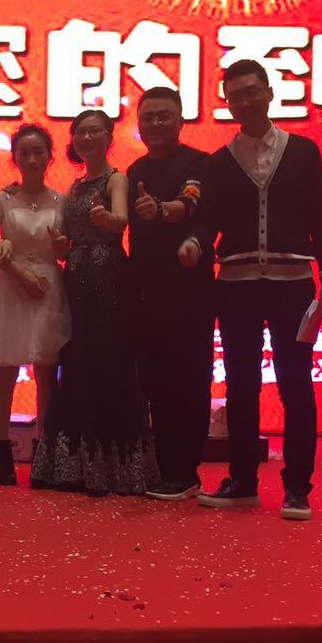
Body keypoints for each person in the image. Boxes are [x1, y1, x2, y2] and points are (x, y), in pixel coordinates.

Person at [179, 58, 322, 522]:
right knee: (242, 384)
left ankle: (298, 488)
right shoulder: (218, 162)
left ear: (269, 93)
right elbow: (209, 219)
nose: (245, 101)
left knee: (296, 383)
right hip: (236, 284)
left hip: (293, 284)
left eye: (252, 91)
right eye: (236, 96)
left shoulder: (304, 151)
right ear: (228, 103)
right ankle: (244, 481)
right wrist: (195, 243)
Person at [31, 111, 161, 495]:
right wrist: (60, 246)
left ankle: (116, 468)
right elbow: (65, 242)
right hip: (75, 275)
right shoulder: (73, 187)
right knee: (76, 361)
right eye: (80, 132)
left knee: (109, 359)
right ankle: (74, 467)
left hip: (108, 275)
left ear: (108, 136)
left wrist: (106, 219)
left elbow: (121, 221)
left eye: (94, 131)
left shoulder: (116, 178)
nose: (87, 137)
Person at [124, 87, 214, 501]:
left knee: (189, 380)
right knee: (154, 381)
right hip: (145, 294)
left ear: (181, 121)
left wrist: (161, 211)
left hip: (188, 294)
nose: (156, 124)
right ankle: (162, 467)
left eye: (164, 116)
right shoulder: (134, 171)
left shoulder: (198, 164)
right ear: (139, 126)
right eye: (148, 118)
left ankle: (186, 471)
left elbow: (190, 203)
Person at [0, 124, 71, 486]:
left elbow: (65, 251)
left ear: (49, 156)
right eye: (24, 153)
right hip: (11, 286)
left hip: (48, 287)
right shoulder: (3, 198)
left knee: (46, 373)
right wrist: (16, 271)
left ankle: (43, 455)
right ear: (14, 158)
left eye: (38, 152)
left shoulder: (62, 200)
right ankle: (3, 454)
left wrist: (62, 247)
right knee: (7, 372)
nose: (32, 159)